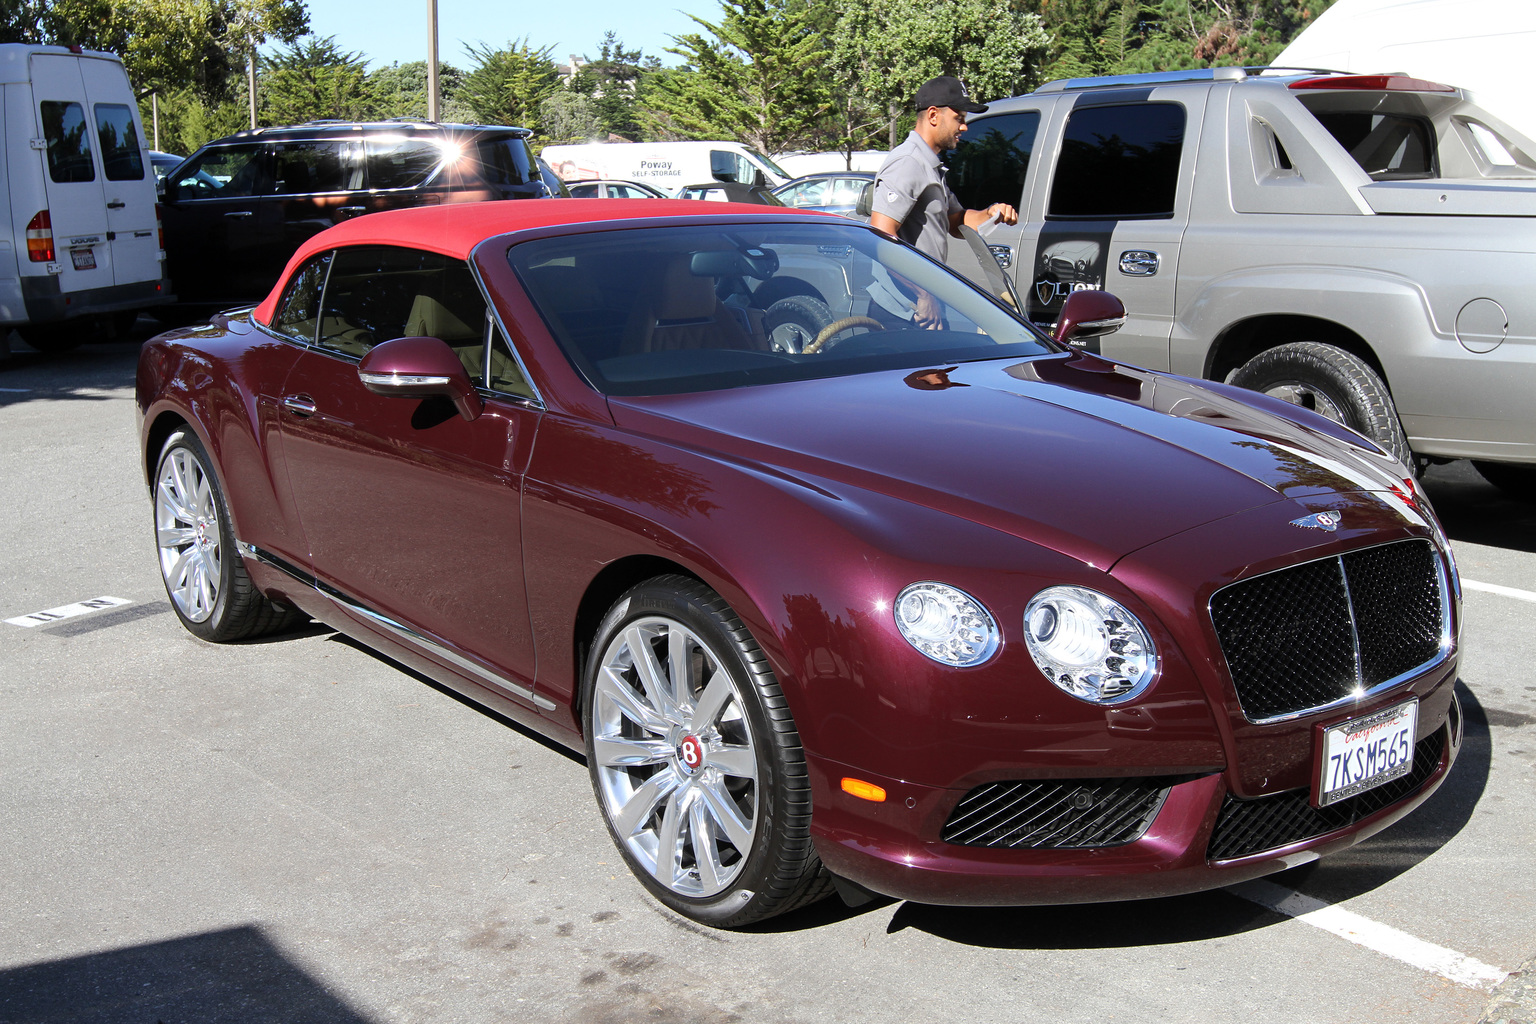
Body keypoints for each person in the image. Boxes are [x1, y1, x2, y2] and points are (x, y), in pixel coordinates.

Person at [869, 76, 1018, 328]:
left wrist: (991, 213)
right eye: (959, 118)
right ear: (933, 115)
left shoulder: (930, 164)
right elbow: (880, 236)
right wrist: (923, 294)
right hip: (903, 312)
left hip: (925, 301)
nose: (964, 127)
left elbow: (954, 220)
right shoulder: (908, 162)